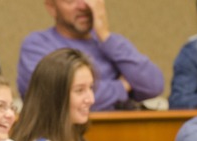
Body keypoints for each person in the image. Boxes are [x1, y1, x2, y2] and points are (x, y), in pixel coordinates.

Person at [16, 0, 163, 110]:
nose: (82, 6)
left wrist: (105, 35)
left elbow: (153, 85)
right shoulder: (37, 44)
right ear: (51, 7)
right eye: (71, 0)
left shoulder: (110, 42)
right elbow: (56, 98)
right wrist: (122, 86)